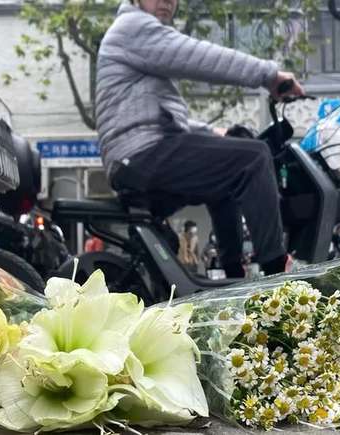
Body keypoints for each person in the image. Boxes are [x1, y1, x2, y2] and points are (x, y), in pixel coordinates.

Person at [96, 0, 304, 279]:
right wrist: (269, 76)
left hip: (136, 159)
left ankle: (233, 276)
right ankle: (278, 271)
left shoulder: (134, 37)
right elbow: (200, 57)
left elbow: (164, 115)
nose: (167, 2)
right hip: (142, 154)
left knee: (225, 181)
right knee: (253, 157)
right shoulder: (133, 27)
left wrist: (214, 133)